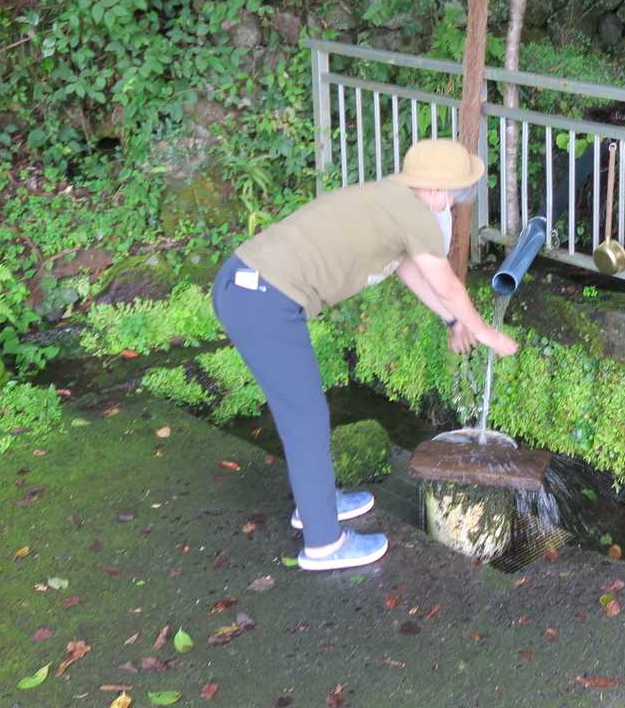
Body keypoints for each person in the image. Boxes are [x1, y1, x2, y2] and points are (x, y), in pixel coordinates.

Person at [211, 139, 519, 571]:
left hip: (251, 288)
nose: (452, 204)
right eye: (452, 195)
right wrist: (487, 333)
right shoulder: (417, 215)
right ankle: (324, 544)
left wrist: (454, 321)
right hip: (263, 299)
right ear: (436, 190)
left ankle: (317, 505)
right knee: (305, 417)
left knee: (304, 413)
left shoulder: (391, 200)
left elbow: (410, 270)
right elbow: (449, 285)